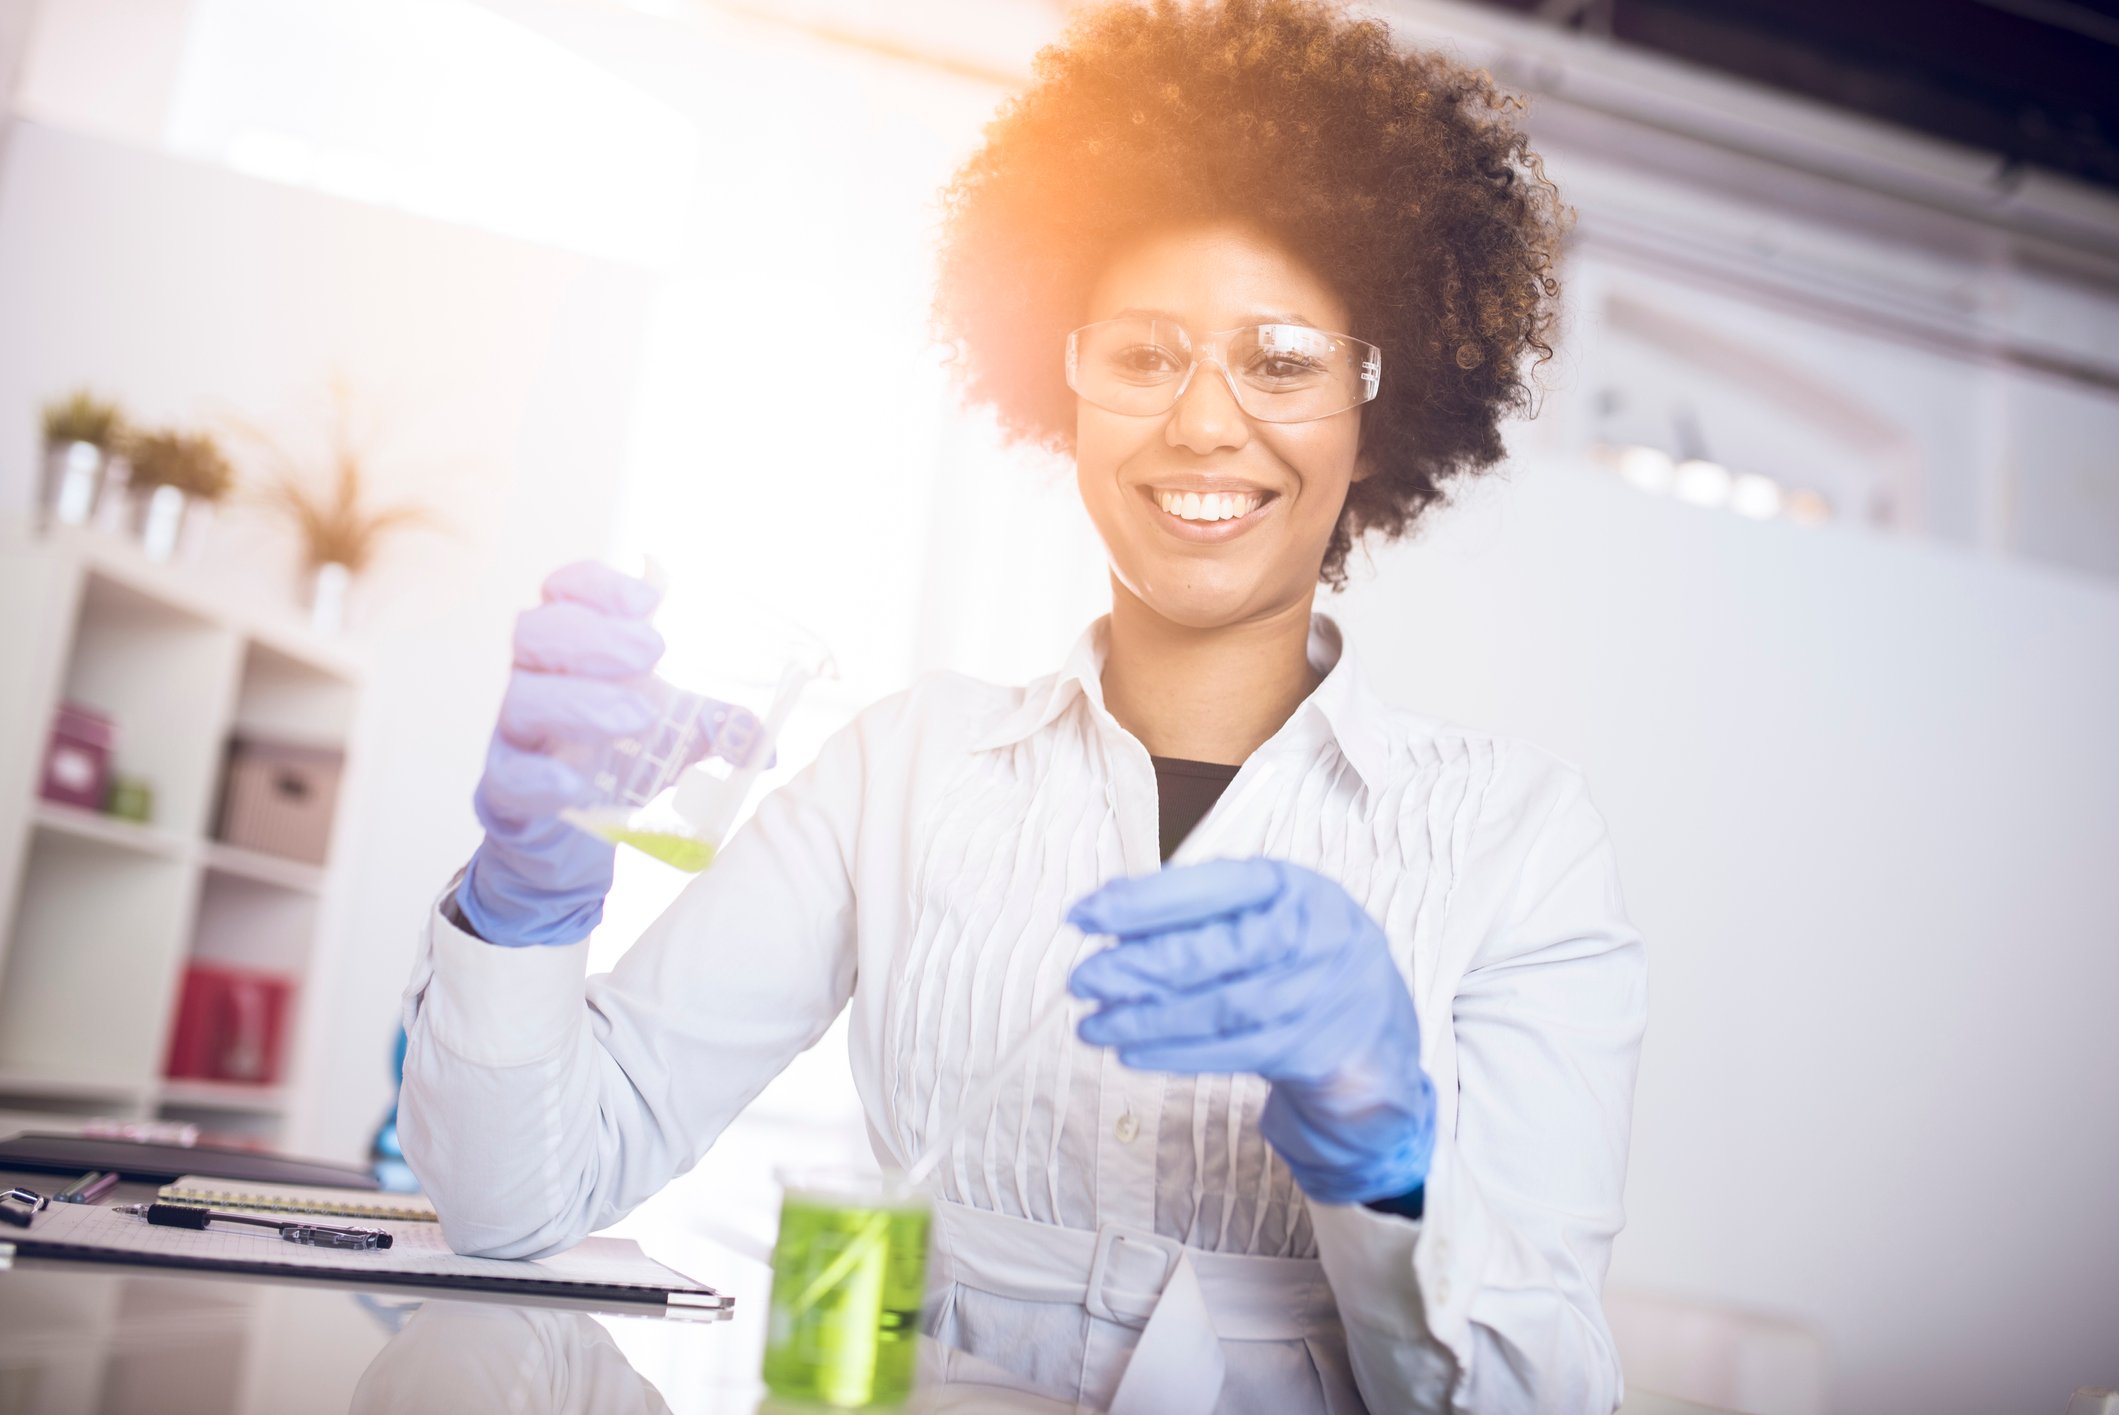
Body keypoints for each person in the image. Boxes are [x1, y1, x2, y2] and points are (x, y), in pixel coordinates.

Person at [398, 1, 1647, 1410]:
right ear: (1066, 388)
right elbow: (522, 1200)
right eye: (1142, 354)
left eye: (1283, 361)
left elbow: (1543, 1396)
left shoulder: (1515, 842)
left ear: (1381, 414)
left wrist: (1385, 1147)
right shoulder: (905, 767)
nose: (1202, 422)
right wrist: (528, 895)